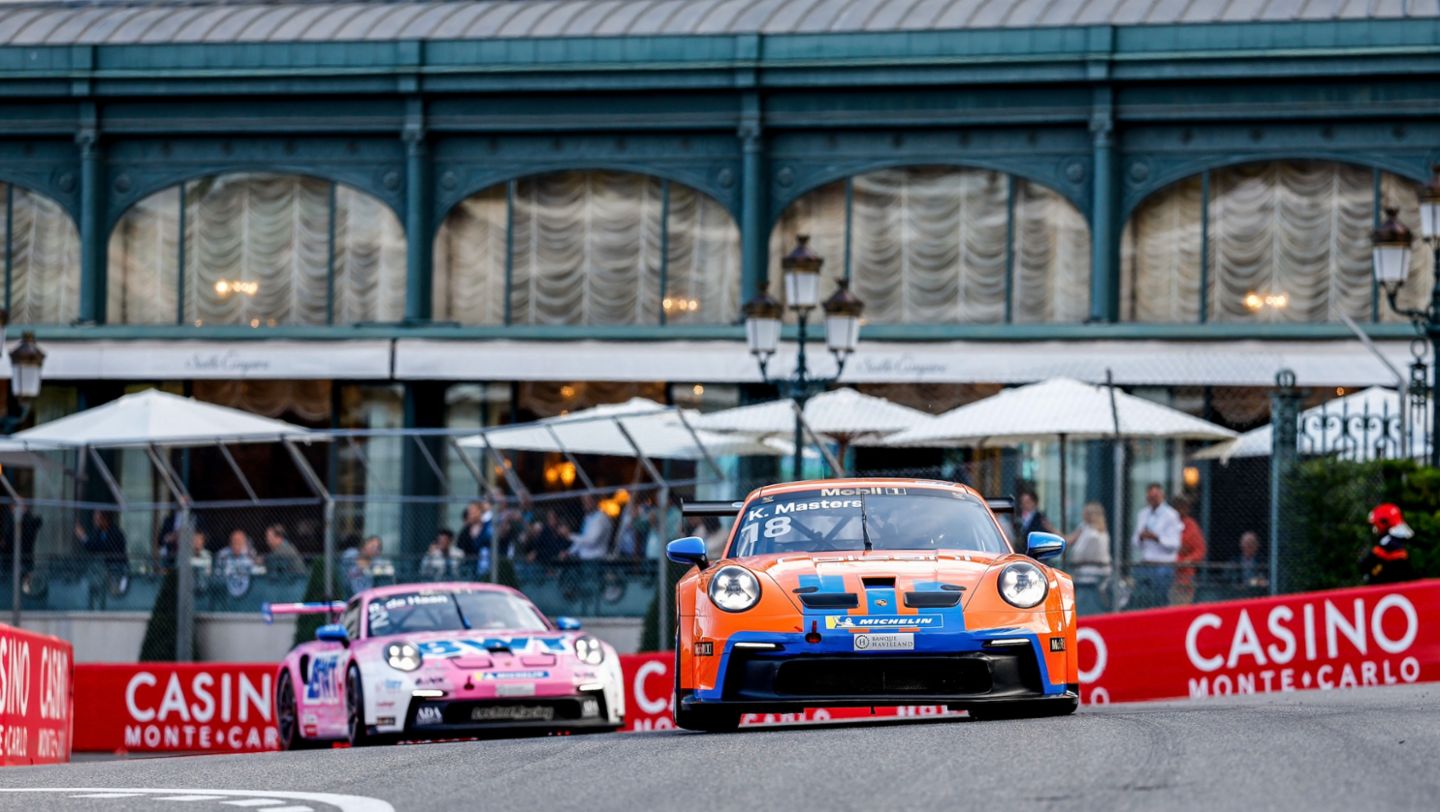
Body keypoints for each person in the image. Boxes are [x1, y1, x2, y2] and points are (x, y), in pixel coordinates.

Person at [1130, 483, 1182, 609]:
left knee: (1160, 599)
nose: (1152, 500)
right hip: (1146, 563)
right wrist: (1142, 537)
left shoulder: (1171, 515)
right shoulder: (1143, 514)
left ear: (1162, 496)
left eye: (1155, 496)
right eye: (1150, 497)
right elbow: (1135, 541)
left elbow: (1175, 544)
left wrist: (1157, 538)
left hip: (1162, 565)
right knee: (1141, 598)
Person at [1066, 501, 1111, 616]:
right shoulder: (1085, 528)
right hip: (1085, 574)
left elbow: (1079, 553)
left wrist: (1074, 558)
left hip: (1090, 576)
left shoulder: (1094, 534)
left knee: (1086, 607)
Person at [1360, 503, 1414, 585]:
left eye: (1375, 525)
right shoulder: (1402, 539)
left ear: (1384, 522)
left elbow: (1365, 565)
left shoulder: (1389, 544)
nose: (1375, 529)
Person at [1169, 495, 1207, 605]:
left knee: (1179, 607)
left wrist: (1187, 560)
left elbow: (1200, 550)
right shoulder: (1165, 522)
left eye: (1183, 507)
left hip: (1182, 576)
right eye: (1177, 507)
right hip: (1163, 572)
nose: (1180, 510)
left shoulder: (1191, 525)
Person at [76, 510, 128, 589]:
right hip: (105, 567)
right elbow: (92, 546)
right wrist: (83, 538)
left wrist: (84, 537)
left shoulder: (115, 532)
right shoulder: (99, 532)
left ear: (104, 519)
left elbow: (101, 547)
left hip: (118, 567)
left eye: (97, 519)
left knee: (117, 590)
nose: (95, 521)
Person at [565, 495, 613, 561]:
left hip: (596, 559)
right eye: (583, 501)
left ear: (595, 501)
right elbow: (582, 538)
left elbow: (591, 541)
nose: (584, 504)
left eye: (587, 501)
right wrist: (569, 552)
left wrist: (569, 535)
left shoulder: (601, 518)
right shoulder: (587, 518)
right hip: (583, 559)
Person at [457, 500, 494, 576]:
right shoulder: (466, 530)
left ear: (480, 511)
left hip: (487, 562)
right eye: (469, 511)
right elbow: (460, 546)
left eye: (473, 511)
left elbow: (488, 542)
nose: (471, 514)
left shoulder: (487, 527)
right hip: (470, 564)